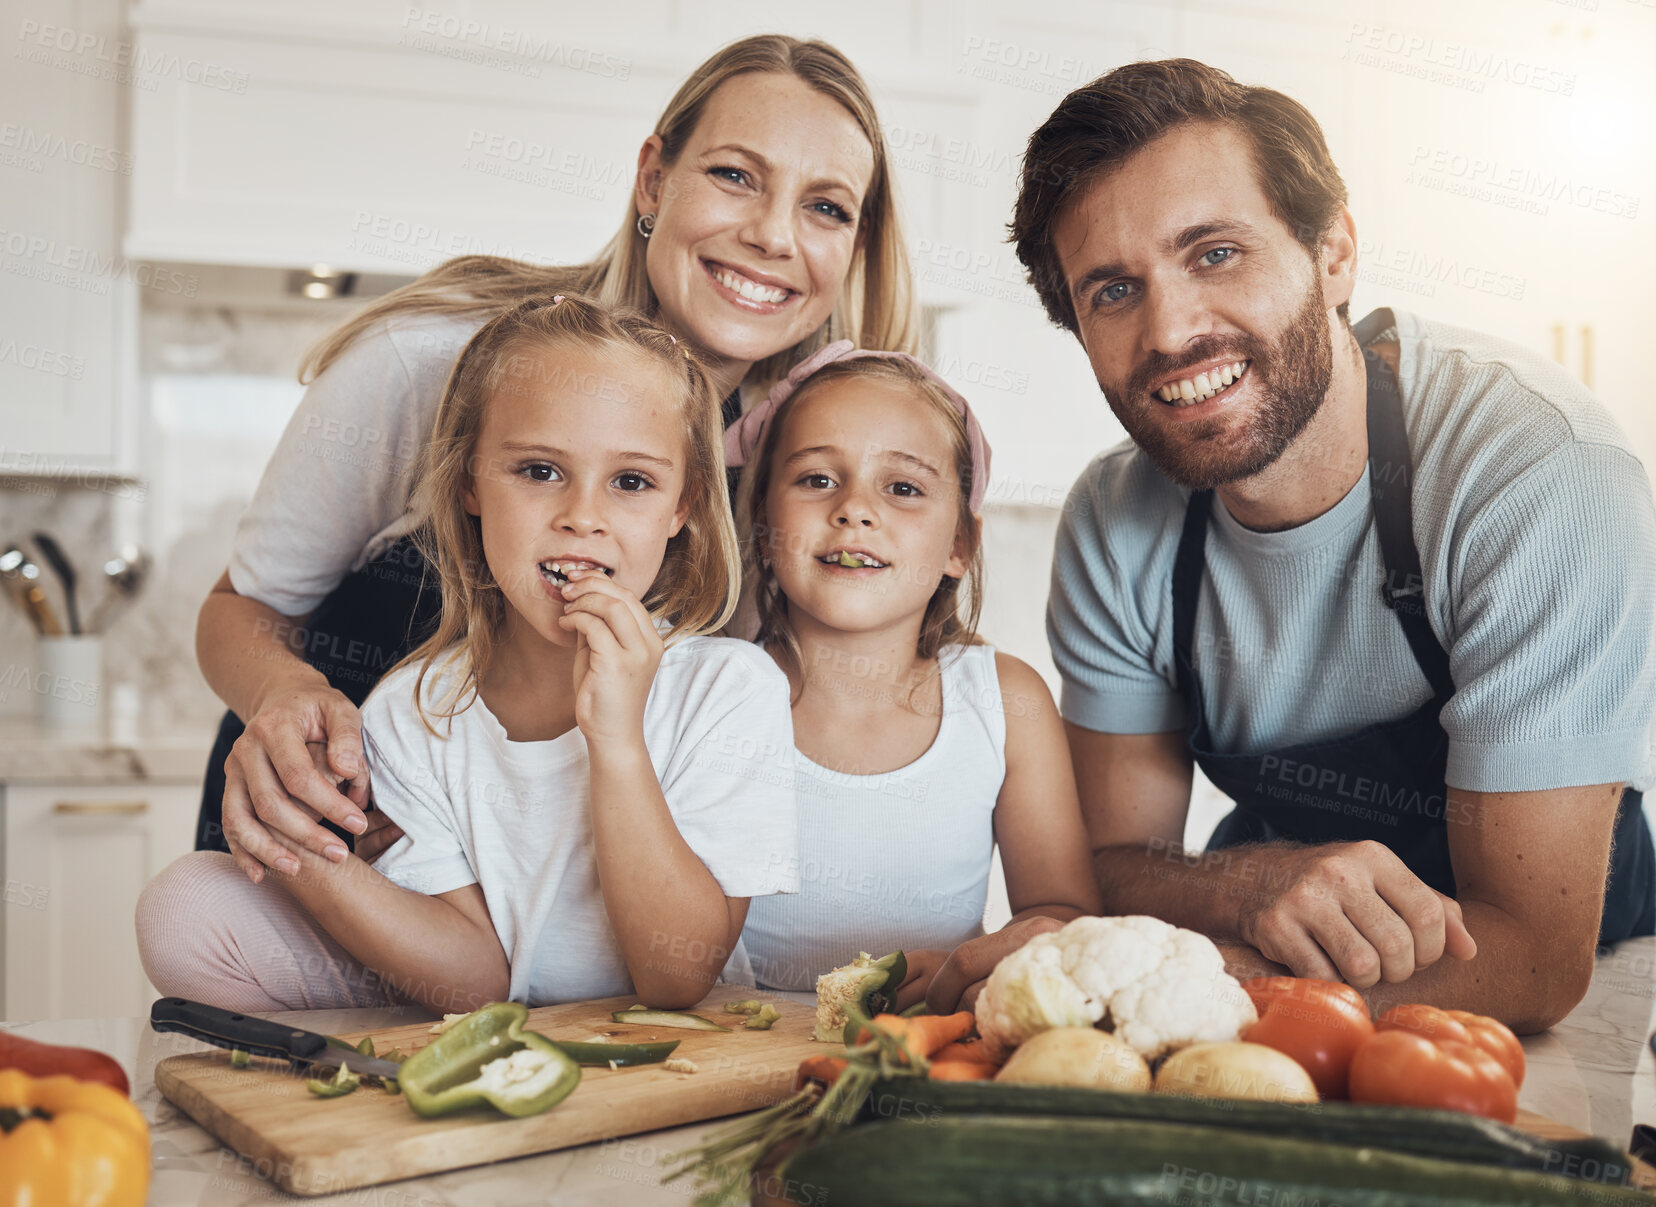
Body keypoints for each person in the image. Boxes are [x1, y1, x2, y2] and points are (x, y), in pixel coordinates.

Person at [1012, 59, 1656, 1033]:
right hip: (1277, 953)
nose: (1173, 328)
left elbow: (1528, 959)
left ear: (1335, 252)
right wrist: (1245, 887)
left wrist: (1210, 986)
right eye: (1112, 290)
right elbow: (1114, 863)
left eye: (1216, 252)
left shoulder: (1534, 473)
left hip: (1564, 999)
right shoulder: (1112, 520)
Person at [193, 34, 918, 886]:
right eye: (735, 175)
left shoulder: (802, 465)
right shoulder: (430, 363)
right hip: (320, 855)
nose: (770, 235)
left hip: (546, 920)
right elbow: (239, 614)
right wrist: (282, 697)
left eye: (826, 208)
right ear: (654, 178)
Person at [138, 295, 798, 1012]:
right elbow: (474, 979)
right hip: (490, 1048)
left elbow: (675, 977)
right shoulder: (412, 709)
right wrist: (299, 851)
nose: (583, 515)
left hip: (674, 1063)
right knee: (179, 908)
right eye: (540, 470)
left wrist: (618, 743)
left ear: (683, 507)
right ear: (468, 484)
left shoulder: (728, 690)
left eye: (631, 482)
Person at [724, 342, 1104, 1013]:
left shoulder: (1007, 703)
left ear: (960, 545)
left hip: (928, 1057)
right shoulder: (714, 695)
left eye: (902, 488)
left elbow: (1060, 919)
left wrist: (970, 966)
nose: (854, 509)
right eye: (816, 479)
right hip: (730, 1055)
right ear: (761, 526)